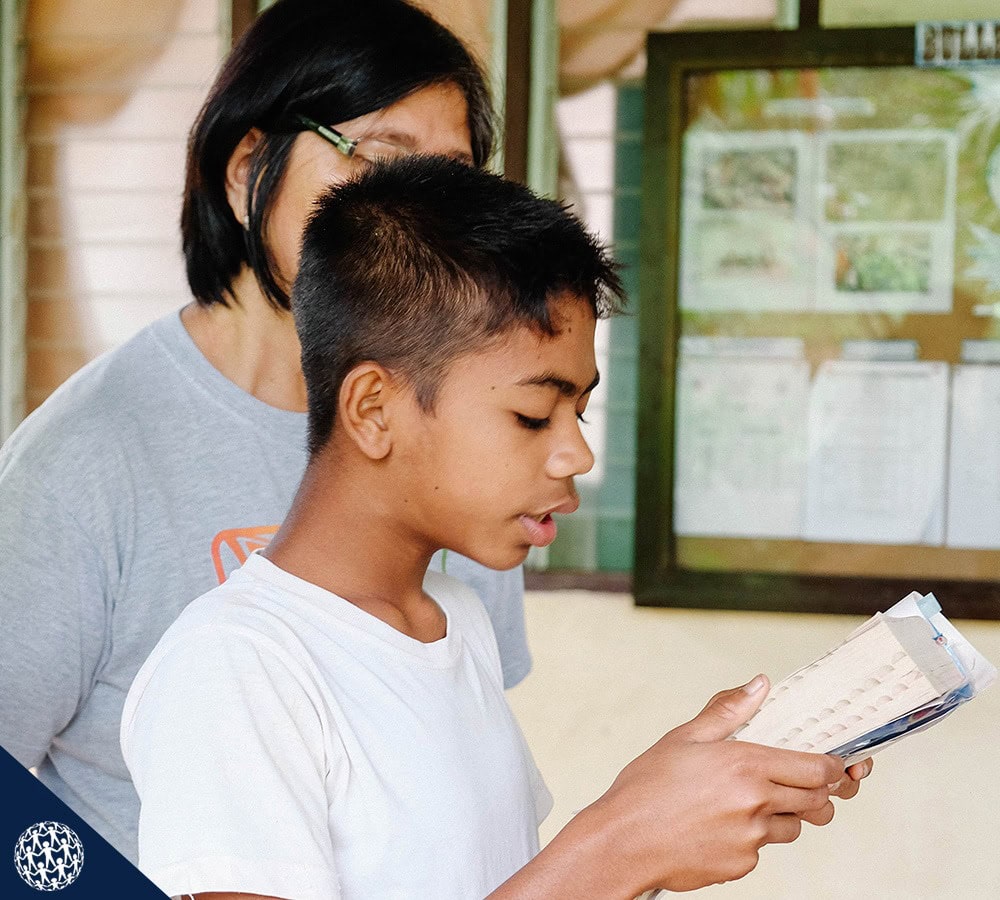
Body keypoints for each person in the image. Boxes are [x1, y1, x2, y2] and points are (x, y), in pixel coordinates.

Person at [121, 156, 867, 900]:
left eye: (579, 411)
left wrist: (665, 810)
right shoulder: (236, 666)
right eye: (533, 414)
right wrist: (618, 847)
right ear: (374, 410)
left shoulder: (452, 620)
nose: (576, 452)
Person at [0, 0, 530, 864]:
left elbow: (465, 744)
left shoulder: (457, 441)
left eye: (453, 184)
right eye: (383, 166)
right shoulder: (81, 466)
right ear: (250, 170)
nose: (424, 224)